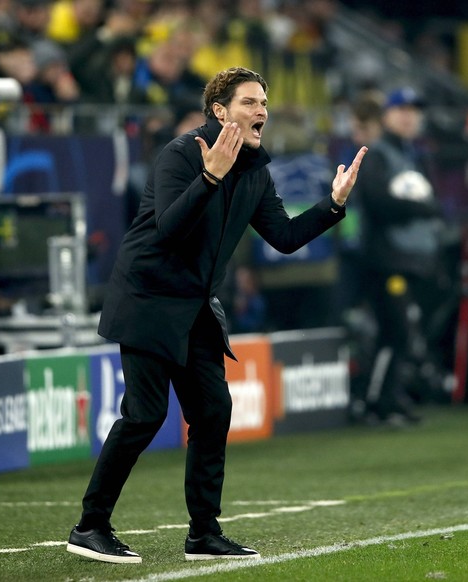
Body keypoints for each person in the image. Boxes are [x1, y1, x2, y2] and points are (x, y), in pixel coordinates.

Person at [66, 66, 367, 564]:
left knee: (212, 411)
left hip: (194, 306)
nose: (262, 111)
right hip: (146, 301)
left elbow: (285, 238)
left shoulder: (255, 172)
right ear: (220, 111)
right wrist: (210, 177)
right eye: (250, 102)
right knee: (145, 415)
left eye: (264, 103)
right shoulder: (181, 155)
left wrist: (332, 206)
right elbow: (169, 228)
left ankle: (203, 533)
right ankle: (90, 526)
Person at [350, 86, 444, 426]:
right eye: (401, 109)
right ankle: (376, 401)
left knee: (400, 332)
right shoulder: (378, 155)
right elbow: (376, 201)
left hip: (414, 260)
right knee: (397, 329)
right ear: (387, 116)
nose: (408, 116)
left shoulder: (413, 156)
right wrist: (421, 207)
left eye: (414, 110)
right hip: (388, 260)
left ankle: (389, 397)